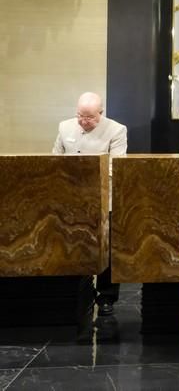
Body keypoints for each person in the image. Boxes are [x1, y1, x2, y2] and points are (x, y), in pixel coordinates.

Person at [52, 91, 127, 317]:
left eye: (90, 117)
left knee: (107, 249)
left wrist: (86, 180)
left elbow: (116, 166)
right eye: (80, 116)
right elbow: (55, 158)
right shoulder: (65, 127)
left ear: (101, 113)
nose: (84, 122)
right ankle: (79, 291)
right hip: (71, 200)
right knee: (74, 245)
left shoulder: (116, 130)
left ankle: (107, 298)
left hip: (104, 199)